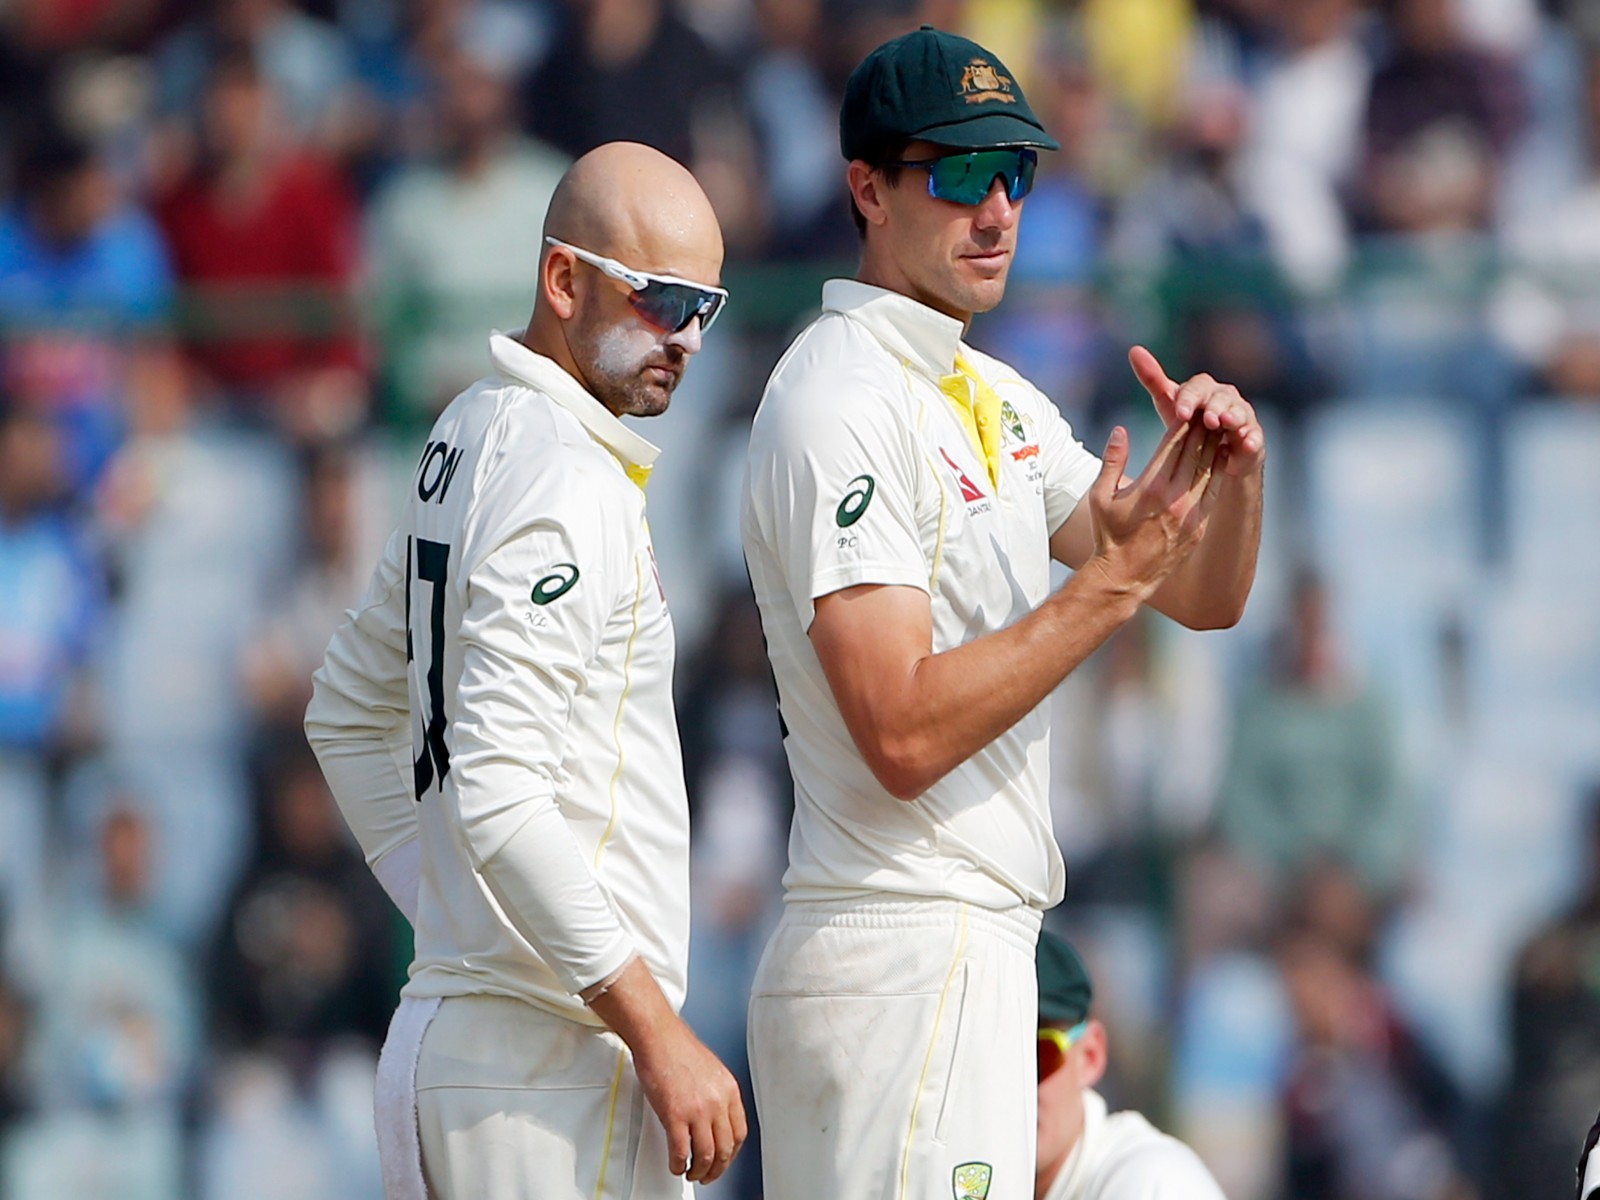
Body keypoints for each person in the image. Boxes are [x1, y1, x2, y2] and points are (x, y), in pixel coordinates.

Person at [741, 25, 1265, 1200]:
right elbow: (899, 731)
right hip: (893, 950)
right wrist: (1108, 586)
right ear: (867, 189)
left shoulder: (988, 392)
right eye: (962, 174)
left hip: (969, 949)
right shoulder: (838, 399)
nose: (996, 212)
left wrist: (1235, 472)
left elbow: (1203, 596)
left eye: (1016, 174)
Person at [304, 141, 745, 1200]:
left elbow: (345, 712)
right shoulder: (563, 476)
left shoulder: (469, 427)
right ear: (563, 280)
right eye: (662, 299)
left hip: (474, 1042)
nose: (686, 338)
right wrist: (655, 1030)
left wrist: (456, 917)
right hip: (546, 1068)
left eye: (707, 309)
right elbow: (497, 787)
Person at [1034, 931, 1225, 1200]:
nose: (1011, 1088)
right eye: (984, 1062)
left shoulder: (1150, 1181)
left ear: (1090, 1055)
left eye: (1039, 1054)